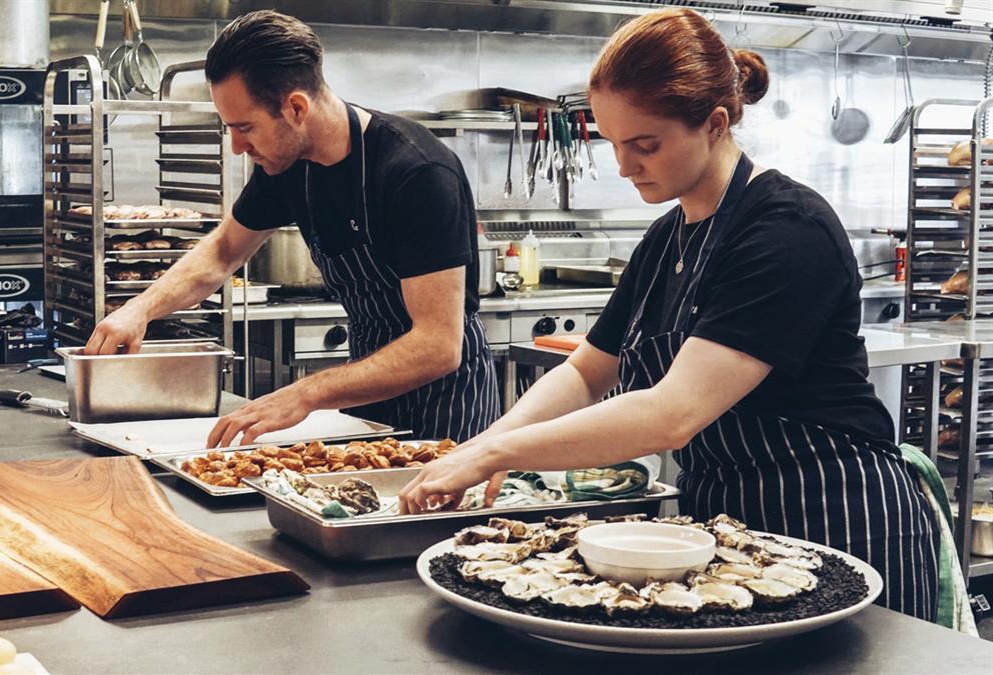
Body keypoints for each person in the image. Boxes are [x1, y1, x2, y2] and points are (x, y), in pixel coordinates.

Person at [399, 8, 939, 621]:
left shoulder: (786, 230)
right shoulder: (666, 239)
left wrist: (499, 456)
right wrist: (484, 443)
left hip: (836, 515)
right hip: (725, 532)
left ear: (713, 124)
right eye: (613, 145)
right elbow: (585, 373)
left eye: (644, 145)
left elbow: (671, 415)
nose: (625, 167)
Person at [85, 10, 499, 446]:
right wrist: (140, 310)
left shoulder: (416, 171)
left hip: (448, 408)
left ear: (296, 108)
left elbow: (437, 345)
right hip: (367, 394)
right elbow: (224, 251)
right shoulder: (288, 167)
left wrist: (306, 392)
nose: (238, 146)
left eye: (245, 128)